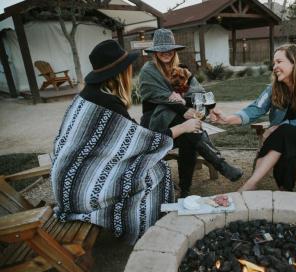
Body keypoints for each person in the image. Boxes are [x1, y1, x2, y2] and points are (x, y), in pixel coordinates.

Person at [51, 40, 201, 244]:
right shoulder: (107, 102)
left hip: (67, 180)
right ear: (120, 73)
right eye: (128, 68)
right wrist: (184, 127)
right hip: (80, 189)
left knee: (149, 167)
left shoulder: (87, 95)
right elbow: (142, 141)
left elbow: (122, 141)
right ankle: (149, 232)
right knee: (157, 172)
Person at [210, 44, 296, 192]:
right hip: (283, 140)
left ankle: (251, 184)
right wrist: (227, 119)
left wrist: (274, 128)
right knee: (285, 144)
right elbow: (255, 108)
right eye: (274, 63)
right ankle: (284, 190)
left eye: (279, 62)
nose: (274, 67)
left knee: (284, 132)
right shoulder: (275, 88)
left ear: (295, 62)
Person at [139, 28, 242, 197]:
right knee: (188, 127)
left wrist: (211, 107)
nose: (165, 52)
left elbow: (198, 92)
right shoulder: (148, 70)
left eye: (169, 49)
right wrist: (184, 109)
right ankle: (219, 163)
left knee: (189, 137)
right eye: (161, 49)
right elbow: (159, 97)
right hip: (155, 123)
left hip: (179, 122)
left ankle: (185, 190)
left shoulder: (182, 69)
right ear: (155, 51)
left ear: (174, 50)